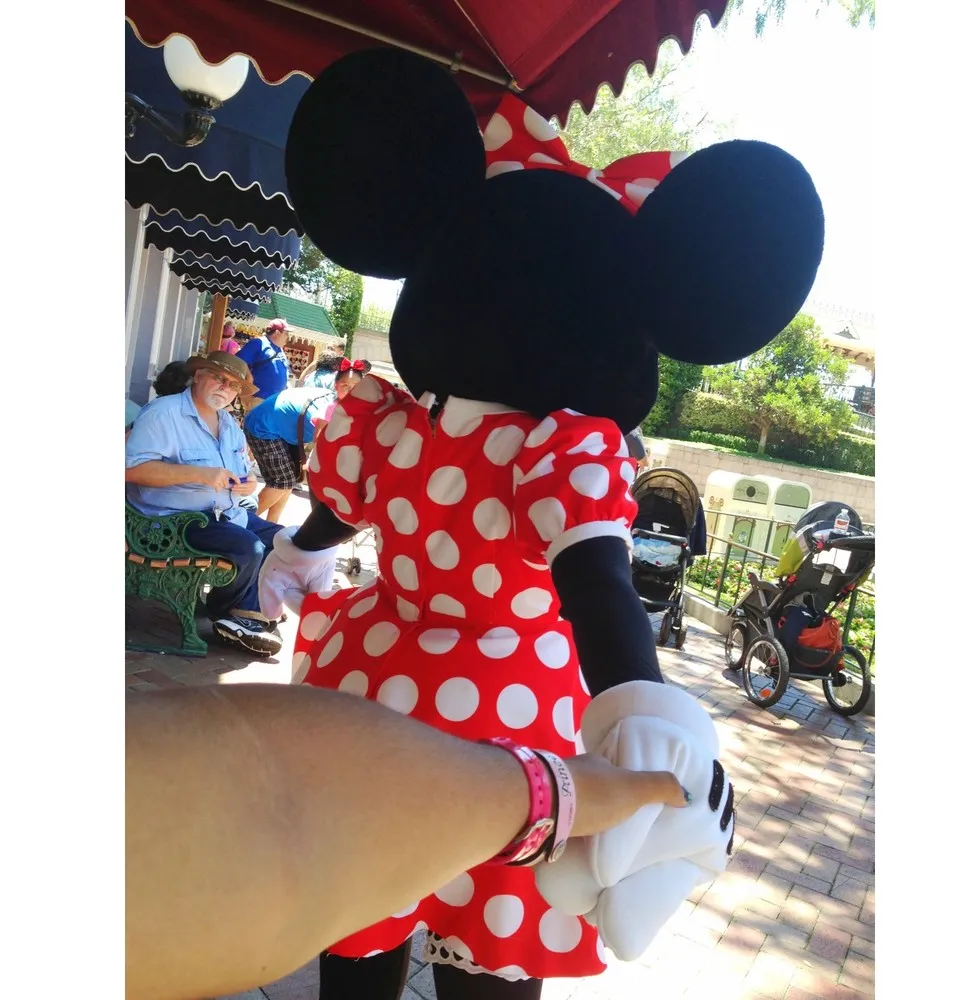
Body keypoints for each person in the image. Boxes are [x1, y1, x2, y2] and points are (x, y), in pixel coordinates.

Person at [261, 48, 823, 1000]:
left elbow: (335, 513)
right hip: (513, 731)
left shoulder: (391, 426)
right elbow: (596, 585)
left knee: (357, 926)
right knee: (499, 935)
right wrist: (643, 706)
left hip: (380, 697)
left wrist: (291, 556)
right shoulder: (562, 452)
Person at [126, 683, 692, 1000]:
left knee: (353, 924)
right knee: (495, 941)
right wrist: (663, 732)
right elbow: (594, 570)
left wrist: (300, 548)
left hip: (381, 680)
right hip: (526, 698)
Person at [124, 351, 283, 655]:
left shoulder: (229, 424)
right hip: (172, 520)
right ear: (198, 376)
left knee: (284, 542)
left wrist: (248, 482)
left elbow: (240, 470)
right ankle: (229, 613)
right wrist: (200, 474)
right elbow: (131, 470)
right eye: (219, 378)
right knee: (248, 547)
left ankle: (247, 610)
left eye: (233, 385)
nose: (226, 388)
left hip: (224, 513)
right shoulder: (164, 413)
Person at [242, 384, 342, 523]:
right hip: (264, 425)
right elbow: (322, 446)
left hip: (283, 427)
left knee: (289, 480)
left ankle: (271, 524)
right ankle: (242, 522)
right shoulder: (331, 411)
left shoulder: (339, 400)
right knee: (283, 481)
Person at [236, 319, 292, 414]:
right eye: (286, 334)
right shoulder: (258, 343)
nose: (288, 337)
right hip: (259, 401)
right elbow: (238, 361)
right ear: (277, 333)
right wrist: (249, 379)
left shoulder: (280, 350)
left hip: (276, 404)